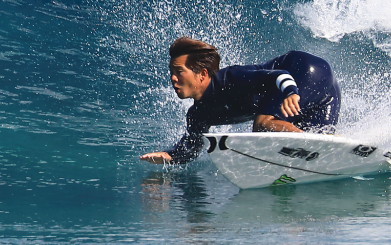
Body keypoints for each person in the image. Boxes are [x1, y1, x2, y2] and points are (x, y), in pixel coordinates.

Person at [139, 37, 341, 165]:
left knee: (263, 125)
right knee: (320, 143)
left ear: (201, 74)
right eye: (171, 73)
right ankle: (329, 142)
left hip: (304, 70)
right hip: (326, 95)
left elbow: (279, 75)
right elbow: (191, 147)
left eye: (179, 72)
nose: (173, 78)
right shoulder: (198, 115)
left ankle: (318, 142)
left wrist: (291, 92)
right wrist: (170, 156)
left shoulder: (231, 79)